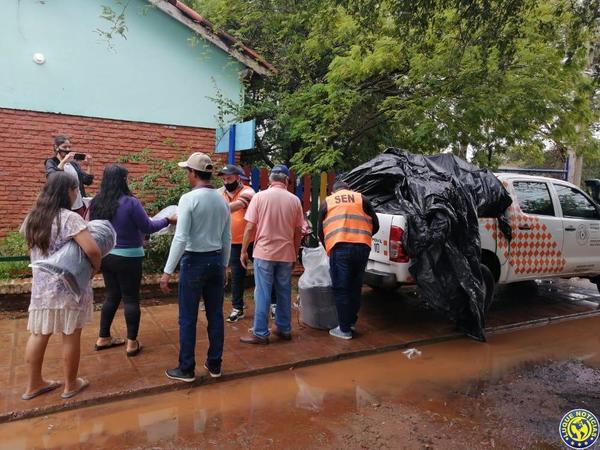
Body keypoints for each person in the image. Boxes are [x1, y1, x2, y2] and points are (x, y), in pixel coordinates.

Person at [21, 172, 102, 400]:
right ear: (66, 191)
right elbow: (92, 249)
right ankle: (70, 385)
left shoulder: (33, 217)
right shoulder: (69, 218)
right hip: (70, 287)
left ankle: (33, 384)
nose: (76, 193)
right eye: (74, 189)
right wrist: (96, 268)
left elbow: (32, 251)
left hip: (42, 288)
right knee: (70, 335)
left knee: (39, 333)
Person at [88, 165, 175, 357]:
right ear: (122, 180)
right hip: (129, 257)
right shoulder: (130, 202)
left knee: (111, 295)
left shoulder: (96, 202)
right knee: (130, 298)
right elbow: (148, 227)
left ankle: (103, 337)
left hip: (106, 256)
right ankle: (132, 343)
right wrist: (168, 220)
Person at [160, 152, 231, 382]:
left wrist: (167, 271)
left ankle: (186, 368)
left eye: (187, 171)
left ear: (192, 173)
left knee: (188, 317)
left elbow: (180, 238)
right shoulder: (222, 200)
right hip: (215, 260)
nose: (186, 175)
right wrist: (225, 265)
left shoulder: (188, 199)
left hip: (193, 262)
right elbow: (227, 238)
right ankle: (214, 364)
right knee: (215, 316)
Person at [240, 164, 304, 344]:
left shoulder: (259, 197)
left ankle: (260, 333)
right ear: (286, 180)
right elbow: (298, 231)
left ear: (270, 180)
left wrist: (244, 251)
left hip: (264, 253)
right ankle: (284, 328)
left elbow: (250, 227)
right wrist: (295, 253)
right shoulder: (294, 200)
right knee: (284, 291)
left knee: (262, 292)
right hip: (286, 253)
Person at [318, 181, 379, 340]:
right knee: (355, 286)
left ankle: (344, 329)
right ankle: (350, 322)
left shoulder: (328, 202)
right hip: (362, 248)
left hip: (340, 248)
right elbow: (376, 225)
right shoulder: (362, 199)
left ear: (334, 191)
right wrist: (362, 237)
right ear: (349, 189)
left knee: (341, 288)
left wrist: (328, 247)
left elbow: (320, 231)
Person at [217, 164, 256, 323]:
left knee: (263, 272)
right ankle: (237, 308)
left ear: (238, 178)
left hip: (252, 239)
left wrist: (214, 208)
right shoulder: (219, 193)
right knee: (237, 276)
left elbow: (239, 205)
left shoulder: (248, 191)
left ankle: (273, 303)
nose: (227, 182)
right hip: (233, 242)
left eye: (230, 178)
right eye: (224, 179)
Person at [45, 135, 94, 218]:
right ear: (56, 147)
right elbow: (52, 177)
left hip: (78, 205)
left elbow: (87, 181)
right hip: (62, 206)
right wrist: (63, 161)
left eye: (69, 147)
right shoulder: (51, 162)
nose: (67, 149)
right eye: (64, 147)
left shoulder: (73, 164)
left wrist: (89, 165)